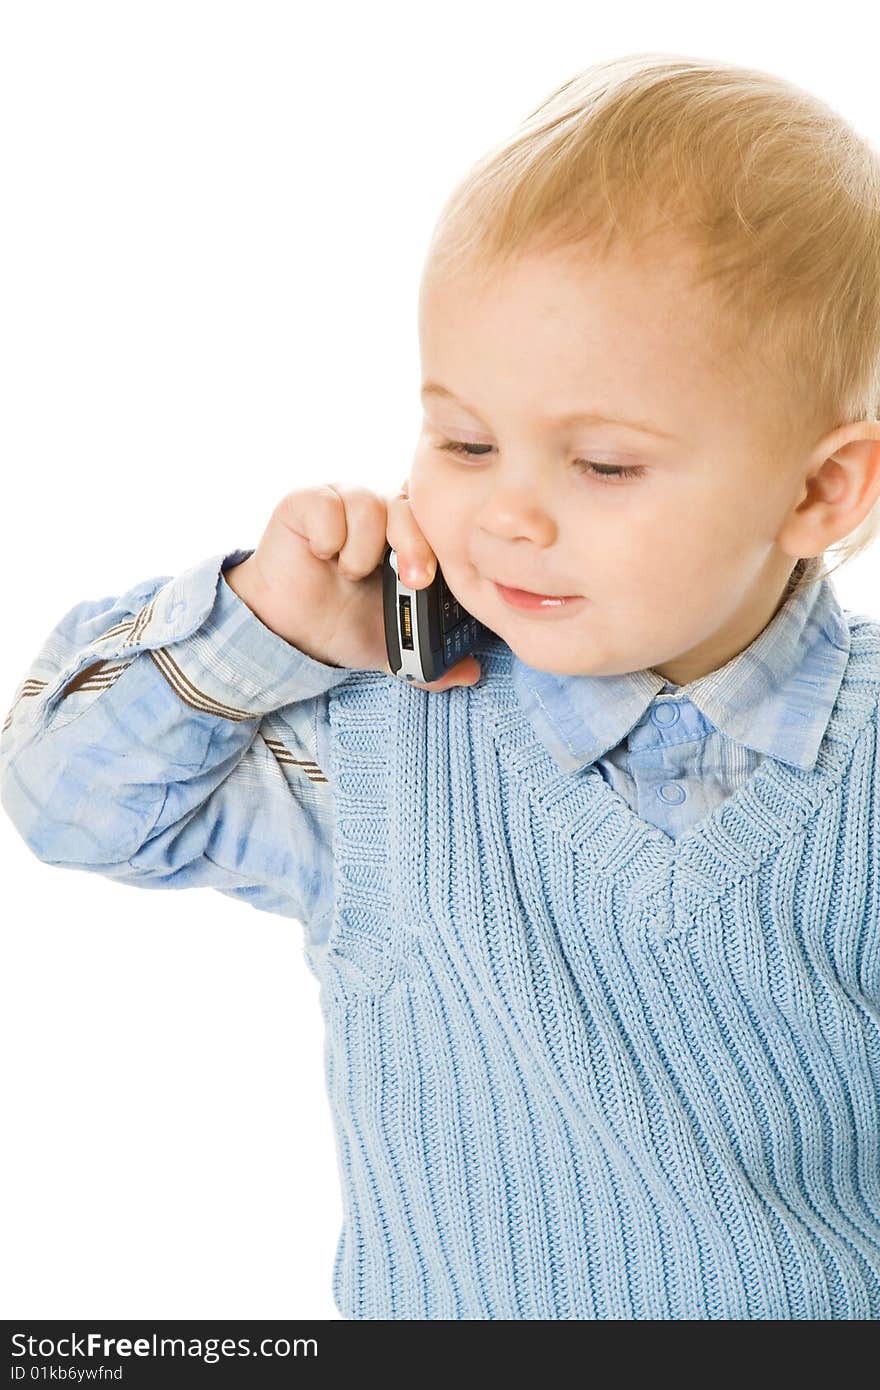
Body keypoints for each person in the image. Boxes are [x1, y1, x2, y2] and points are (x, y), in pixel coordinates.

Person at [3, 52, 880, 1319]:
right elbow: (65, 804)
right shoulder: (380, 743)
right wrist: (266, 626)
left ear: (818, 491)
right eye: (464, 442)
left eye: (601, 465)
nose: (507, 514)